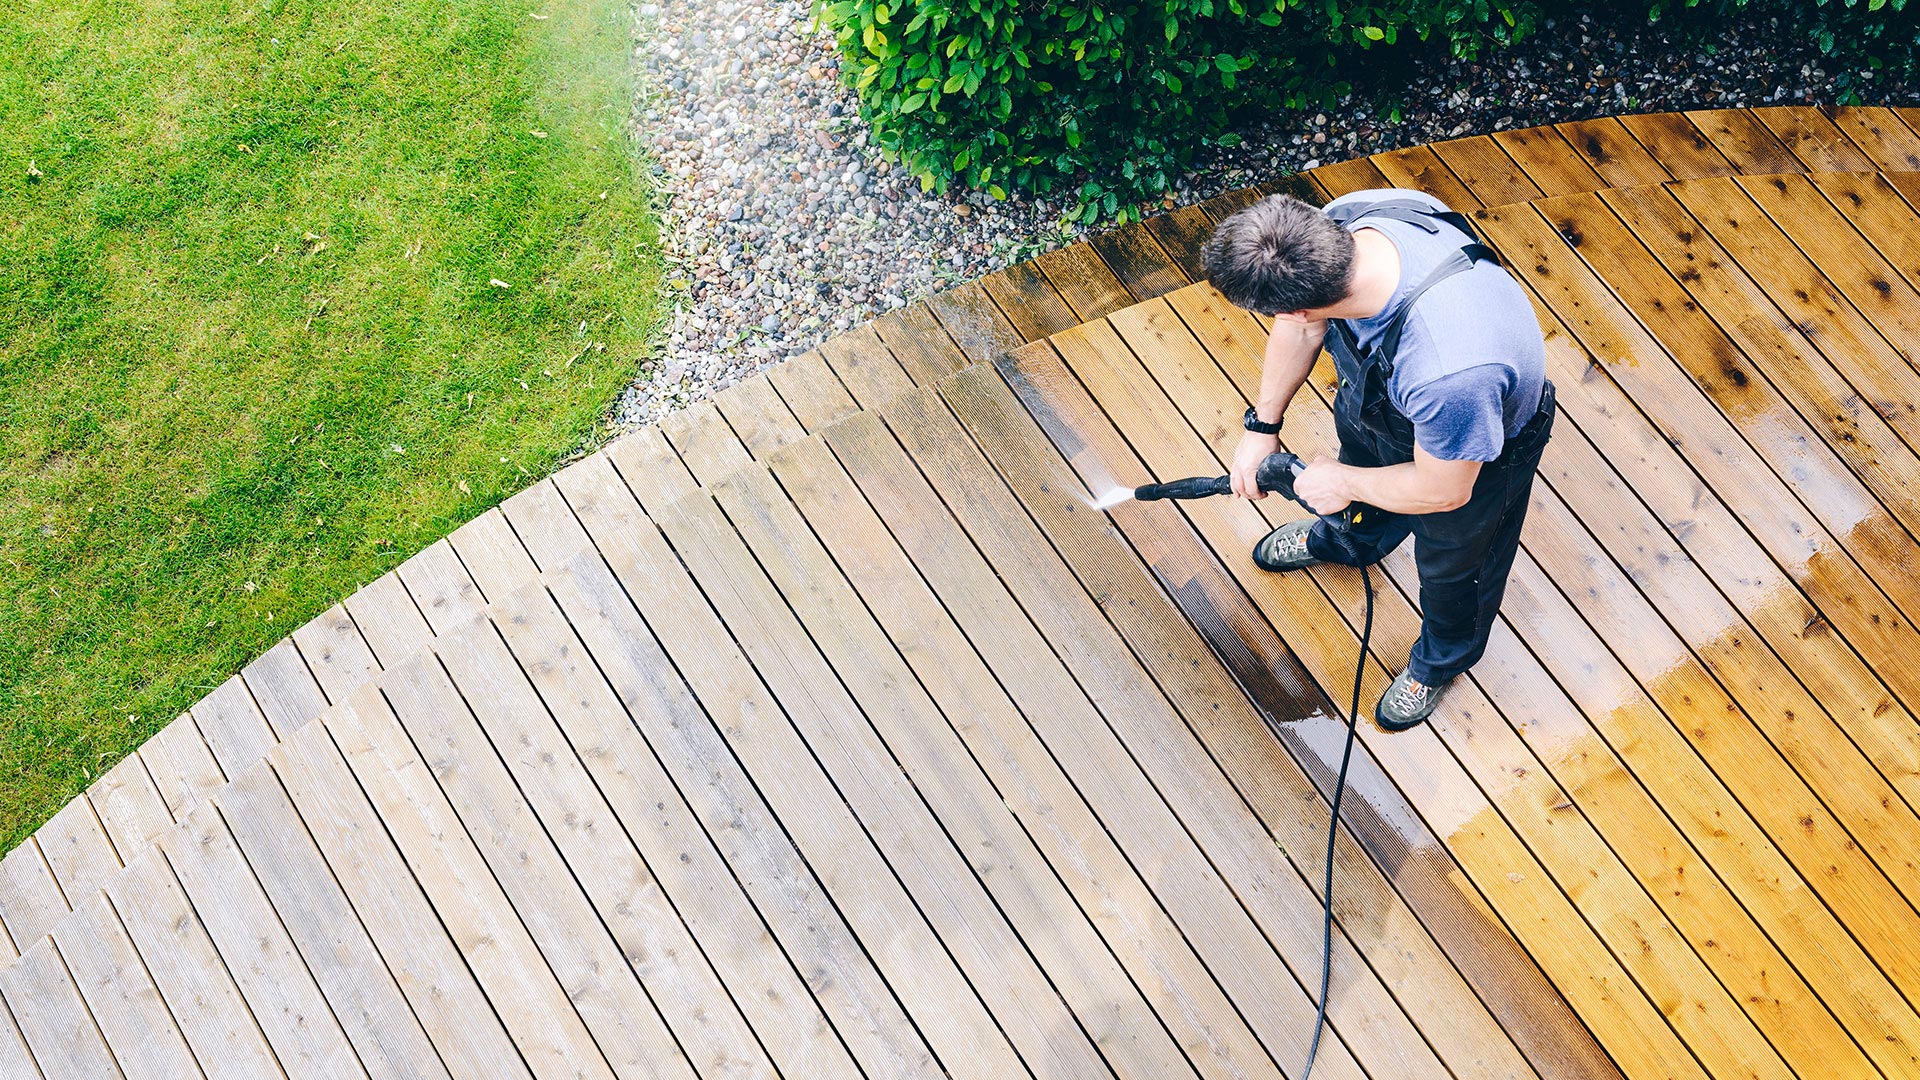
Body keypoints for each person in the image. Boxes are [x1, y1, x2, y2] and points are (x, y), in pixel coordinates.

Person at [1200, 189, 1556, 730]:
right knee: (1358, 486)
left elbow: (1443, 490)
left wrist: (1342, 482)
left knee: (1456, 571)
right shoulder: (1345, 222)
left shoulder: (1449, 369)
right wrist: (1262, 427)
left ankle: (1440, 661)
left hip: (1472, 459)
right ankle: (1351, 541)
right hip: (1380, 408)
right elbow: (1303, 326)